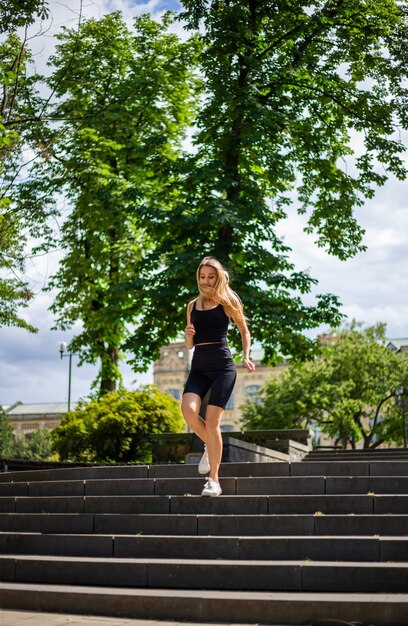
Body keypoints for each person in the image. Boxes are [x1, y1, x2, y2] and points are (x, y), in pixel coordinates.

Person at [181, 256, 255, 496]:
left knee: (212, 423)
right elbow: (190, 345)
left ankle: (214, 479)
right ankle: (209, 445)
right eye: (202, 277)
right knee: (189, 411)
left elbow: (244, 330)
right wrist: (188, 334)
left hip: (223, 366)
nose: (206, 281)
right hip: (199, 367)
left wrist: (245, 355)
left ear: (218, 277)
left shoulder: (228, 301)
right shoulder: (192, 306)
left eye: (210, 277)